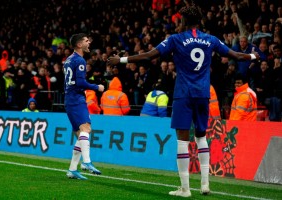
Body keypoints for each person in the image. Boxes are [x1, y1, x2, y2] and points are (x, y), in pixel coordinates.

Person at [108, 2, 260, 197]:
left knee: (182, 140)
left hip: (184, 94)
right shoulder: (211, 39)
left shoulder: (176, 39)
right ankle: (205, 185)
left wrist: (121, 60)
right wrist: (254, 56)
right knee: (202, 137)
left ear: (184, 21)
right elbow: (236, 56)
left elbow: (150, 56)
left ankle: (185, 189)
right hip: (203, 93)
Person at [63, 33, 105, 180]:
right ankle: (87, 162)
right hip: (76, 99)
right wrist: (97, 87)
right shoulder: (80, 60)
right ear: (79, 45)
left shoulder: (68, 59)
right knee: (86, 129)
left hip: (69, 99)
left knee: (81, 136)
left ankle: (72, 169)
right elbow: (80, 83)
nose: (89, 43)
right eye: (87, 41)